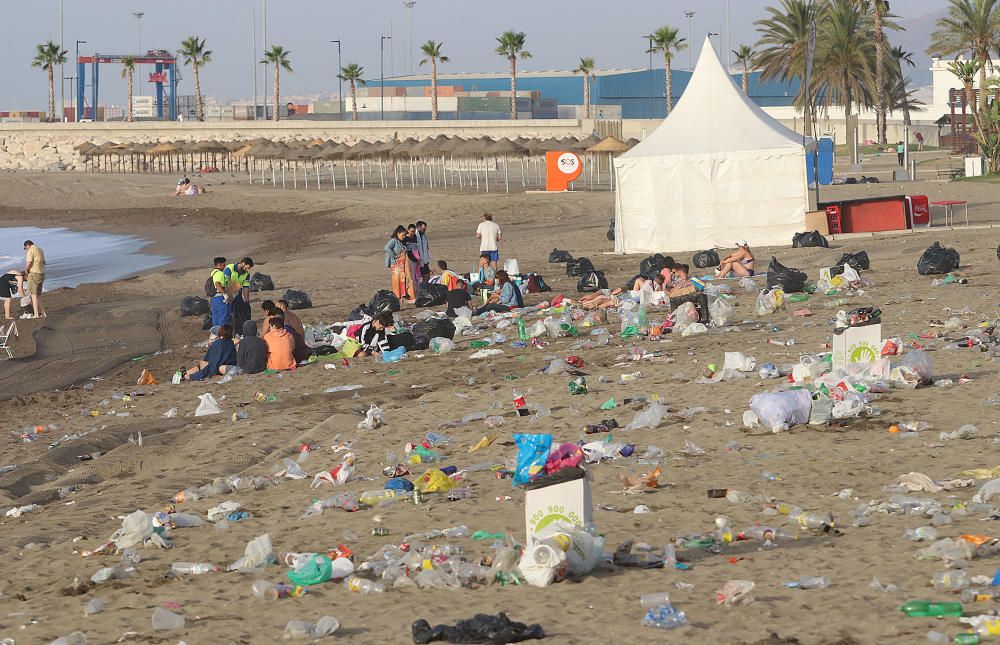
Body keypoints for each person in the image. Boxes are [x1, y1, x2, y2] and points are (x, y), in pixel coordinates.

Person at [385, 225, 417, 304]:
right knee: (396, 281)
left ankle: (402, 297)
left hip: (402, 265)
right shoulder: (393, 241)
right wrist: (394, 256)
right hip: (396, 265)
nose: (403, 237)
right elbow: (387, 248)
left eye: (404, 235)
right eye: (402, 235)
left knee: (403, 281)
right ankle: (397, 297)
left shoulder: (400, 241)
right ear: (398, 233)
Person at [223, 257, 254, 330]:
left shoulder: (247, 273)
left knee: (241, 309)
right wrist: (229, 296)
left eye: (248, 269)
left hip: (237, 293)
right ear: (243, 264)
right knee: (228, 311)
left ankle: (238, 328)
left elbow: (245, 287)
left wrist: (247, 301)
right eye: (246, 268)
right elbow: (226, 283)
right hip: (227, 293)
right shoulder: (229, 268)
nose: (247, 270)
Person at [23, 240, 45, 318]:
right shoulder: (40, 250)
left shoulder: (31, 250)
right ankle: (43, 313)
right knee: (38, 295)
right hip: (42, 273)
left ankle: (36, 314)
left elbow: (29, 262)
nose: (26, 250)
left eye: (25, 248)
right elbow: (43, 262)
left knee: (33, 295)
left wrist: (26, 270)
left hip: (34, 273)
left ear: (27, 245)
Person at [208, 257, 231, 329]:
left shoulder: (213, 273)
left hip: (213, 299)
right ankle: (222, 336)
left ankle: (215, 335)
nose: (225, 266)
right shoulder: (220, 273)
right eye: (224, 264)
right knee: (223, 318)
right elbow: (217, 284)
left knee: (215, 318)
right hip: (220, 299)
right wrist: (225, 295)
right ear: (220, 264)